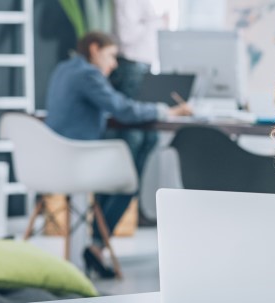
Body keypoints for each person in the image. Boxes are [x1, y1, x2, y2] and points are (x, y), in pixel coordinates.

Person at [44, 32, 191, 278]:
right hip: (76, 162)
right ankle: (97, 244)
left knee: (142, 141)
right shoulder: (88, 74)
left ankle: (97, 245)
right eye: (111, 56)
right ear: (94, 49)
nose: (113, 64)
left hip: (53, 160)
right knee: (128, 184)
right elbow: (122, 109)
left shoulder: (64, 69)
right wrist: (168, 111)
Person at [106, 0, 163, 227]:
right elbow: (127, 35)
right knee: (132, 142)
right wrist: (153, 20)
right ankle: (106, 223)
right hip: (131, 66)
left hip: (142, 66)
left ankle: (127, 208)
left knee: (150, 137)